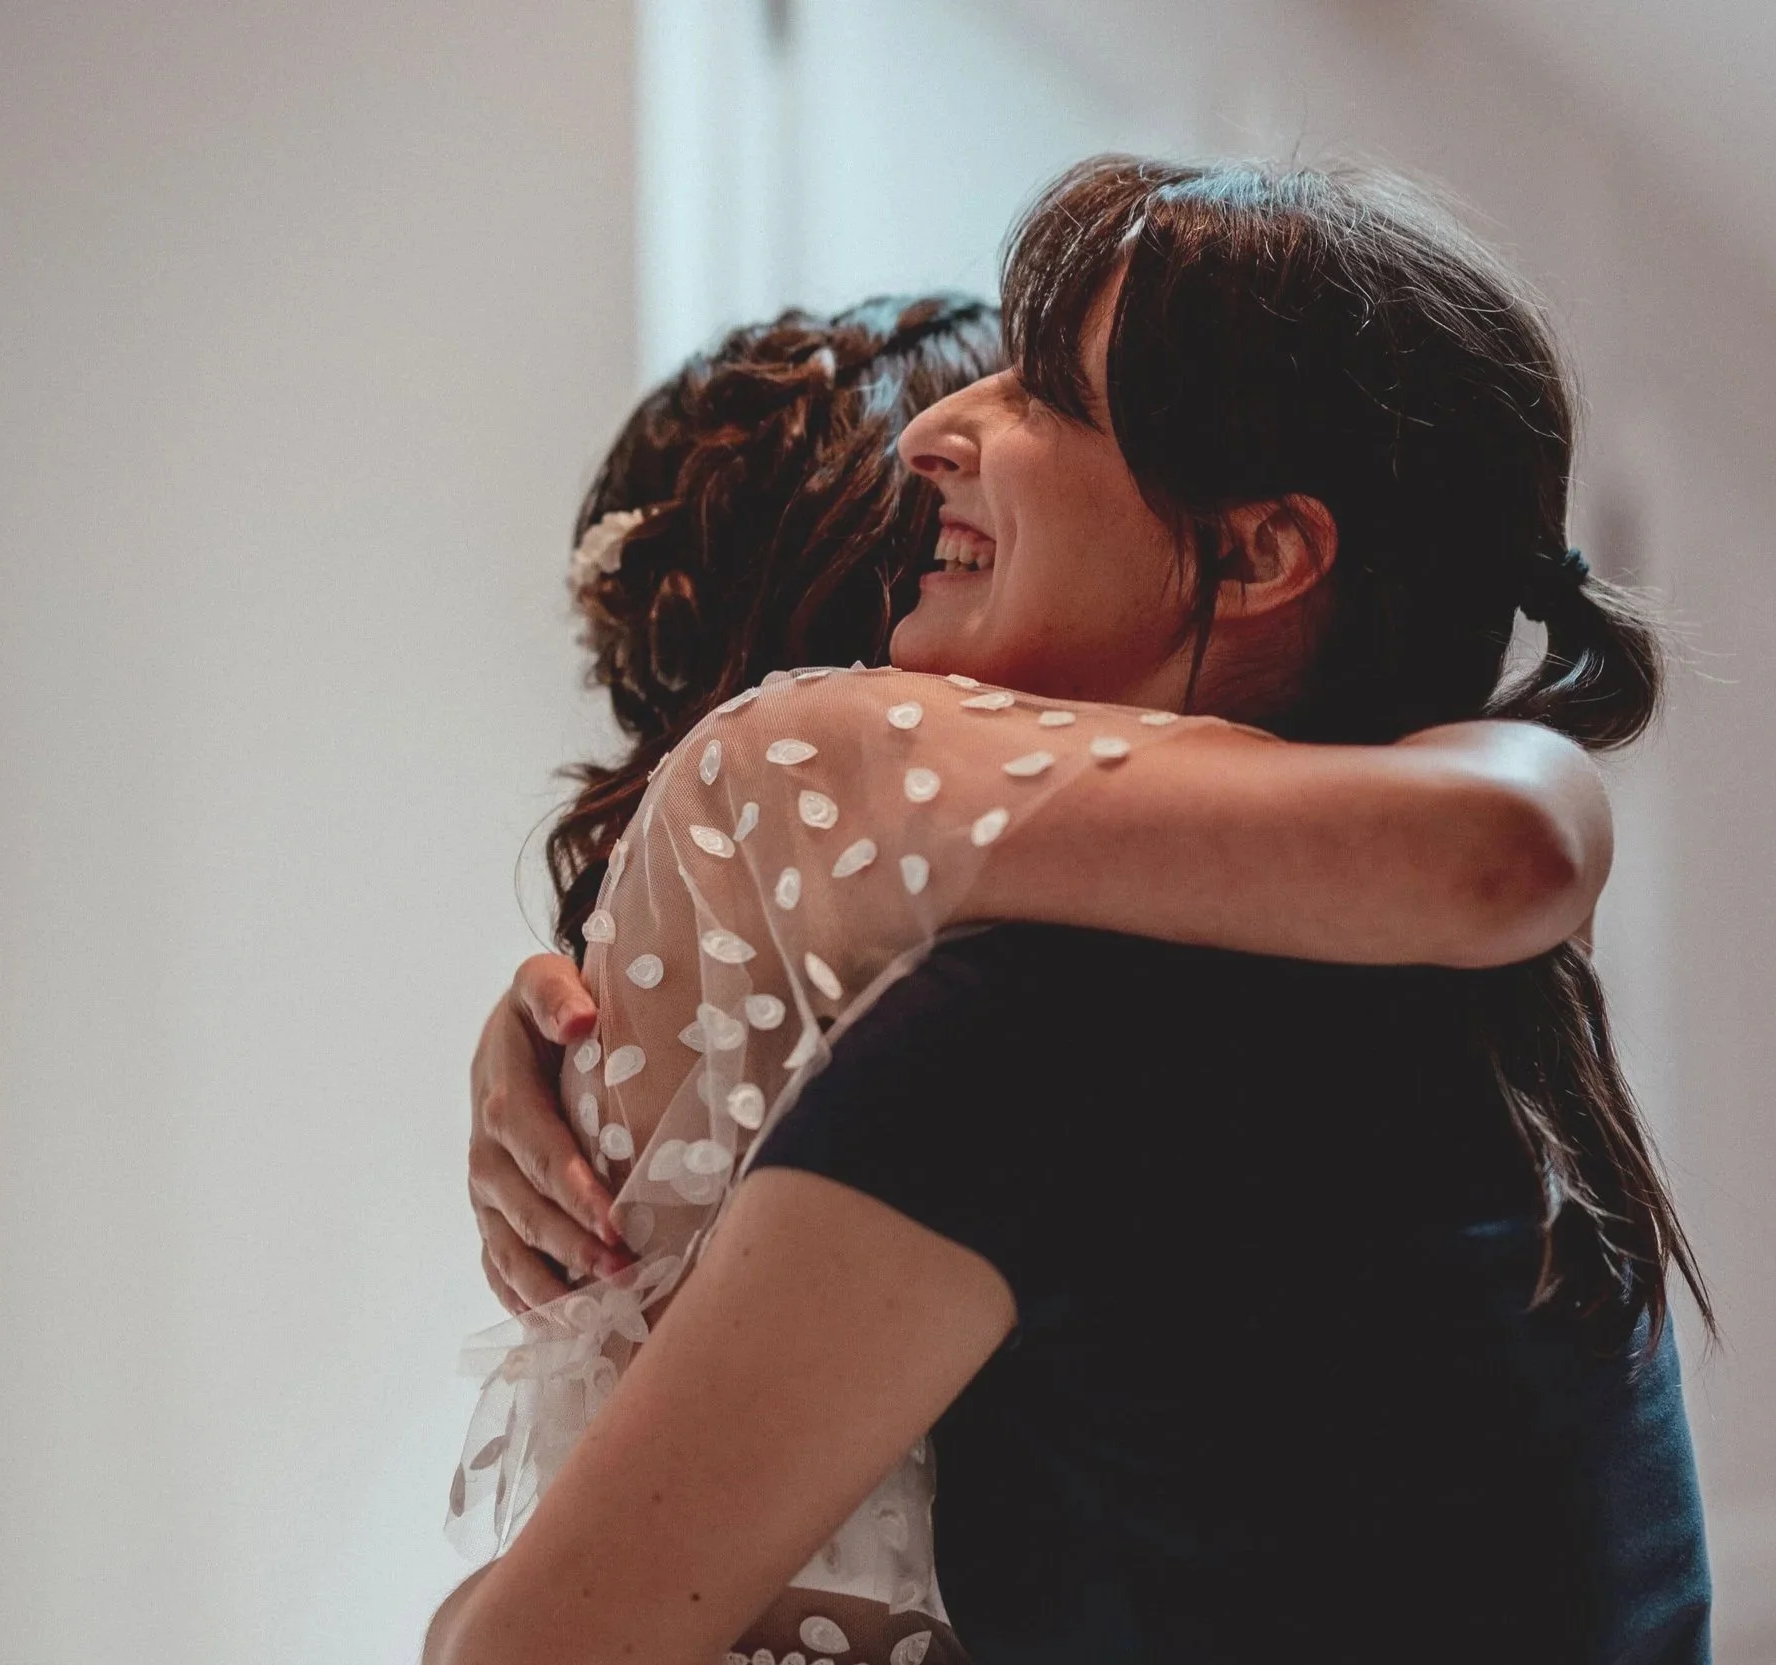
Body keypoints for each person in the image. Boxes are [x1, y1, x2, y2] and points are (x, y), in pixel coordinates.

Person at [435, 157, 1711, 1665]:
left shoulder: (1027, 1032)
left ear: (1261, 551)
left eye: (1046, 395)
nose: (941, 444)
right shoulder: (1496, 1005)